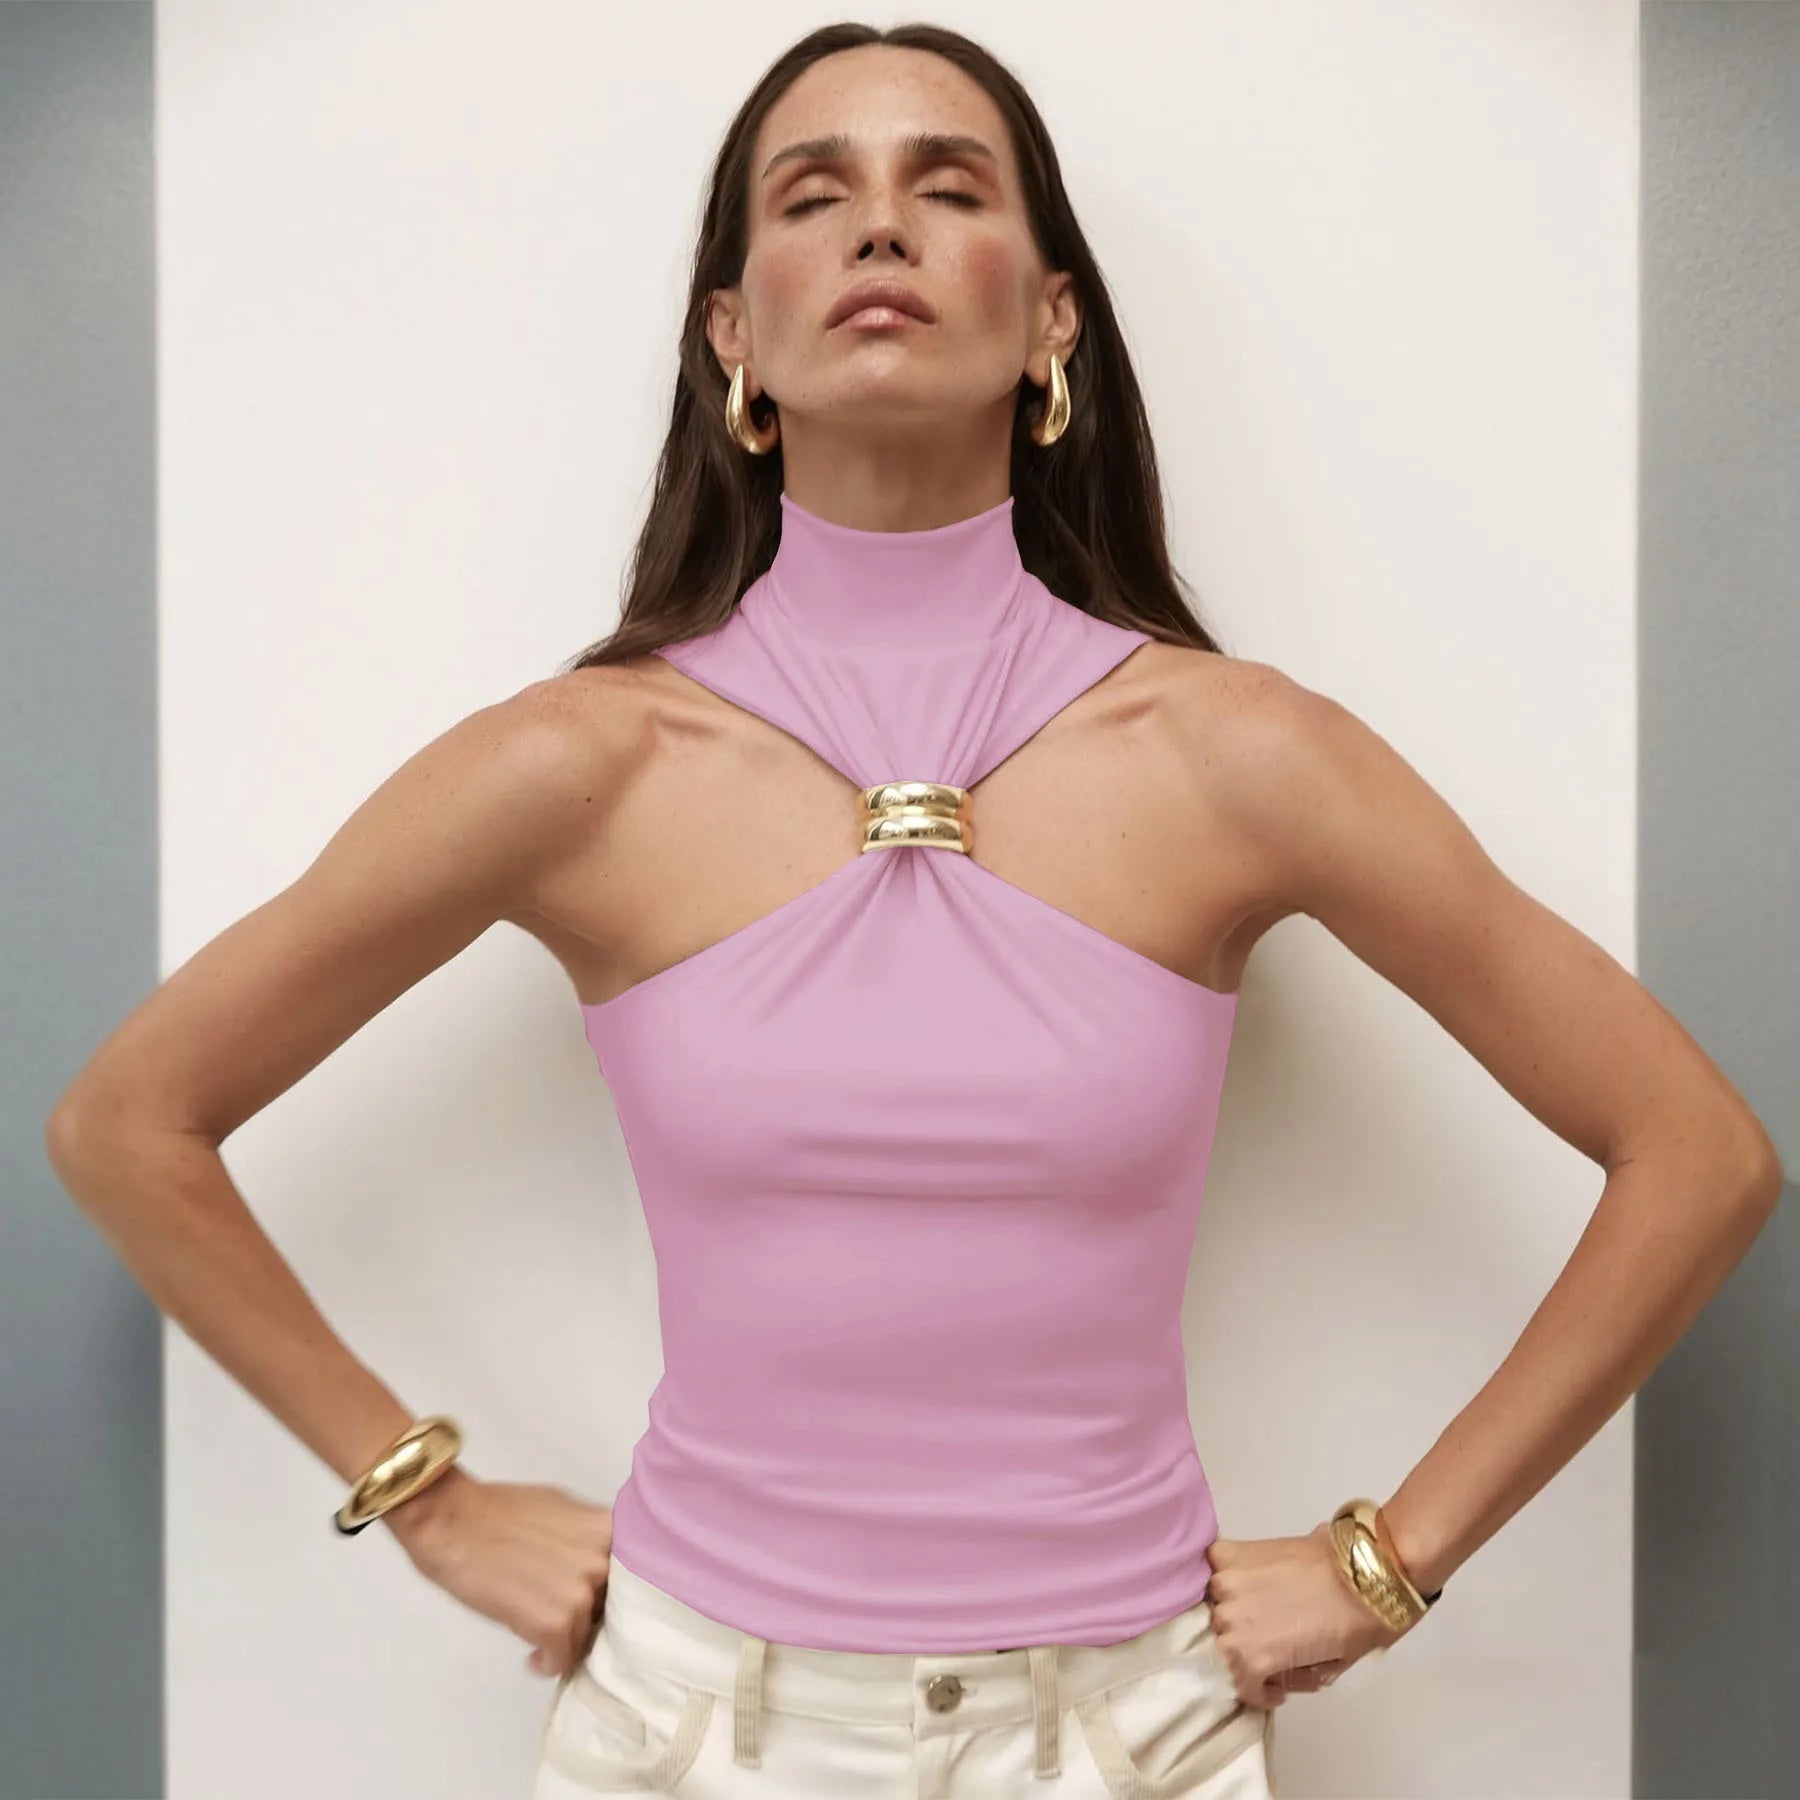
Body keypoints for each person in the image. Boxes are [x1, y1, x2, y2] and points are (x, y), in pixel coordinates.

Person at [45, 21, 1783, 1800]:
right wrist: (424, 1495)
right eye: (815, 196)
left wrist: (1384, 1564)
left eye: (949, 188)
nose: (881, 225)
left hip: (1128, 1742)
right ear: (734, 336)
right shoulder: (582, 767)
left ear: (1052, 319)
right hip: (687, 1739)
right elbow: (130, 1120)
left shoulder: (1238, 757)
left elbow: (1696, 1154)